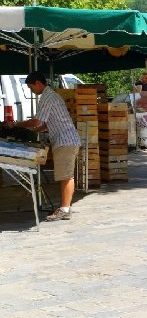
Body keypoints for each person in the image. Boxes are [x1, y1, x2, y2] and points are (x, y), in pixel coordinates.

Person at [3, 71, 81, 221]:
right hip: (65, 140)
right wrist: (32, 130)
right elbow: (45, 124)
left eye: (31, 88)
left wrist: (16, 124)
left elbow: (37, 121)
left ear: (38, 83)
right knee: (65, 175)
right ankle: (65, 207)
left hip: (65, 141)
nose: (32, 91)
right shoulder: (51, 96)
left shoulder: (47, 97)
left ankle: (65, 209)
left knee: (66, 176)